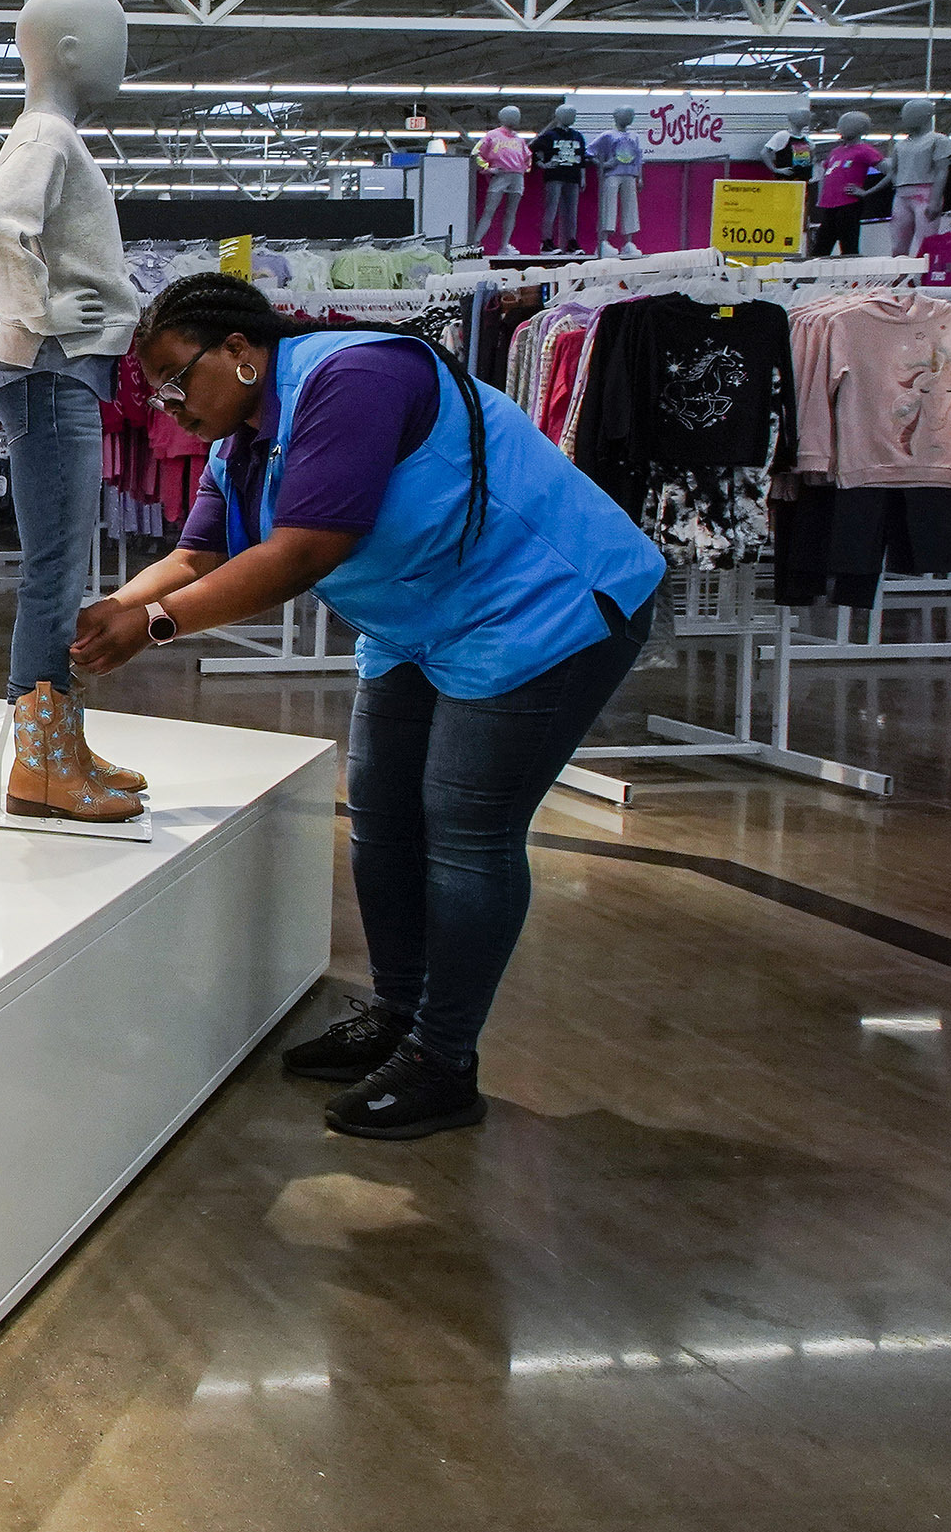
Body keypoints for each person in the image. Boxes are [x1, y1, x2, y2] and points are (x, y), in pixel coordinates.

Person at [70, 272, 663, 1143]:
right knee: (383, 813)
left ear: (240, 352)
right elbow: (198, 553)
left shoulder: (355, 377)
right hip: (422, 622)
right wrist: (108, 611)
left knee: (465, 830)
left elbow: (307, 550)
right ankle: (398, 1014)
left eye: (174, 380)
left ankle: (443, 1061)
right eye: (152, 392)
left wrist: (148, 627)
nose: (167, 408)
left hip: (543, 607)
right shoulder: (243, 437)